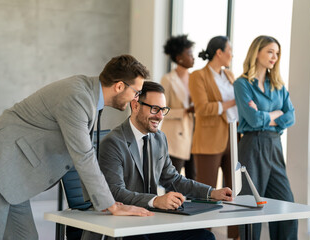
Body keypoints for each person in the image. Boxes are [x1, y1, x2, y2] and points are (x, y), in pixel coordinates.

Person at [0, 54, 154, 240]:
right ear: (119, 86)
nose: (136, 99)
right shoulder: (77, 97)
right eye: (136, 92)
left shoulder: (89, 94)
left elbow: (84, 154)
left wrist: (103, 202)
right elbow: (83, 155)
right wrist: (110, 205)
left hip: (12, 173)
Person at [98, 81, 233, 240]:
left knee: (205, 237)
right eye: (155, 109)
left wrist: (211, 192)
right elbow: (116, 192)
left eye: (163, 110)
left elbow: (173, 179)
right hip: (124, 222)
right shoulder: (113, 142)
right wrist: (155, 201)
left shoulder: (159, 138)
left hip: (151, 220)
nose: (160, 116)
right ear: (135, 106)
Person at [233, 35, 297, 240]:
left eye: (277, 53)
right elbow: (252, 119)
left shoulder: (278, 85)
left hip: (274, 146)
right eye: (270, 51)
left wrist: (265, 116)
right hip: (252, 145)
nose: (274, 57)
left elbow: (291, 116)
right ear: (257, 52)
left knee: (286, 204)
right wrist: (276, 114)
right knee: (250, 206)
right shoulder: (242, 84)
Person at [188, 36, 239, 239]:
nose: (232, 55)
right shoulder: (198, 76)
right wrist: (233, 102)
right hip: (209, 140)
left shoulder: (230, 75)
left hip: (233, 136)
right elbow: (202, 108)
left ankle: (236, 234)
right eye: (230, 50)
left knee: (235, 190)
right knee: (207, 192)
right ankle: (202, 234)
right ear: (219, 52)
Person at [160, 35, 196, 179]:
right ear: (179, 57)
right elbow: (162, 110)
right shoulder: (168, 79)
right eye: (189, 54)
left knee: (195, 179)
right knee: (174, 181)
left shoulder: (195, 78)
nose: (193, 57)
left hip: (194, 135)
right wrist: (185, 111)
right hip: (176, 137)